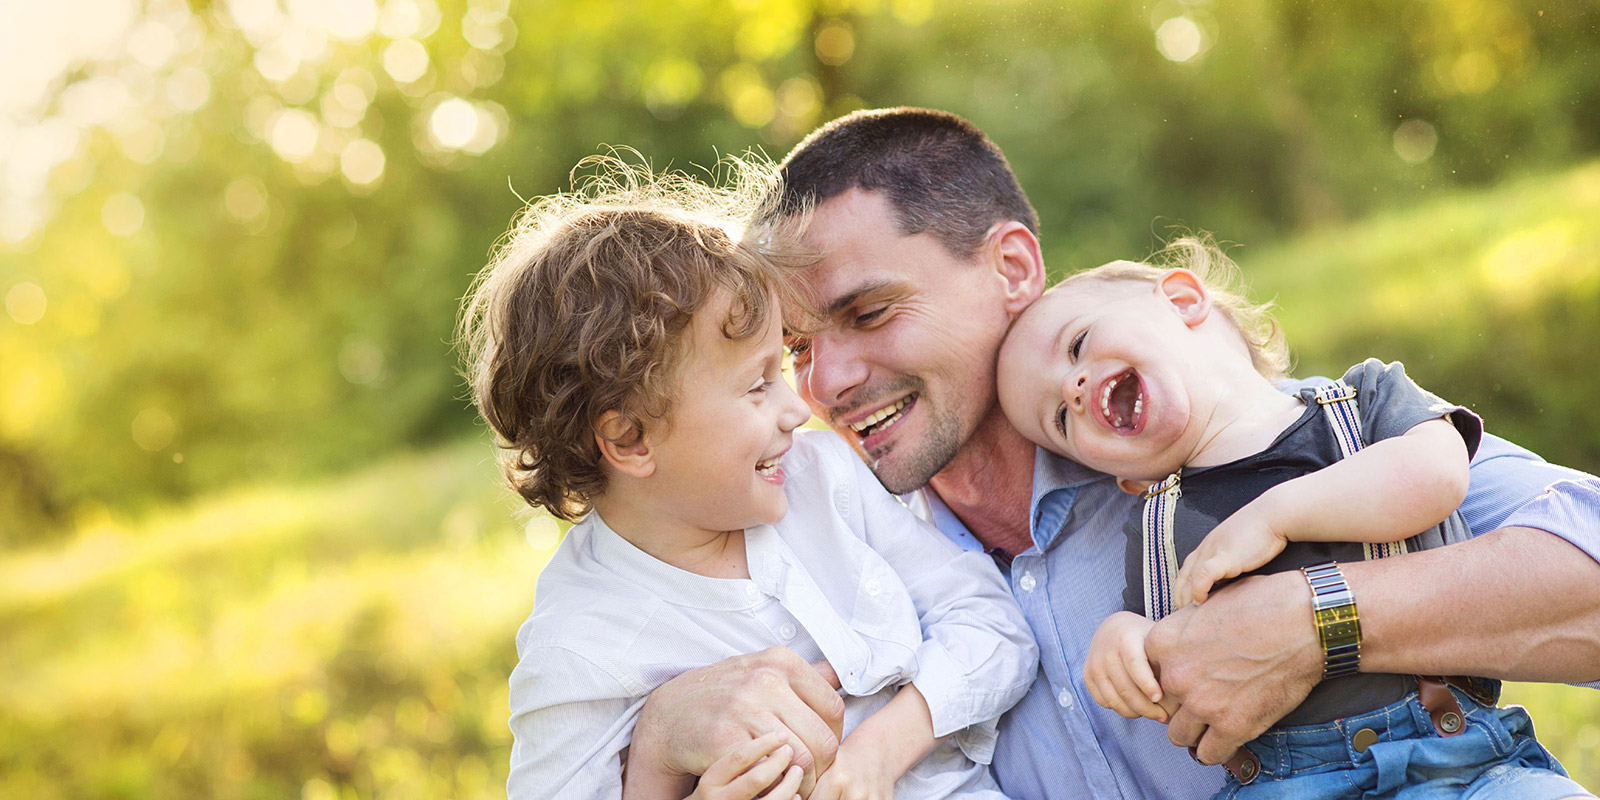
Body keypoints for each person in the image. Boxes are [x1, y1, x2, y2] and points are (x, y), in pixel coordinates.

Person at [623, 107, 1600, 800]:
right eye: (795, 350)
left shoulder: (1262, 443)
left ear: (1010, 267)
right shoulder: (836, 567)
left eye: (868, 312)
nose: (827, 381)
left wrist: (1315, 617)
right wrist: (659, 749)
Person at [459, 157, 1038, 800]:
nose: (799, 408)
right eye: (757, 384)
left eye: (781, 367)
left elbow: (993, 622)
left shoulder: (821, 479)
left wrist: (877, 752)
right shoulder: (580, 644)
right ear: (629, 438)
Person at [996, 244, 1592, 798]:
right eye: (1059, 422)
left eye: (1077, 345)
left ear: (1182, 299)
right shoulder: (1157, 521)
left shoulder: (1360, 404)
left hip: (1455, 758)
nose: (1072, 389)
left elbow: (1436, 477)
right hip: (1285, 785)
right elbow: (1173, 643)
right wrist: (1121, 642)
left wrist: (1278, 516)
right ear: (1124, 479)